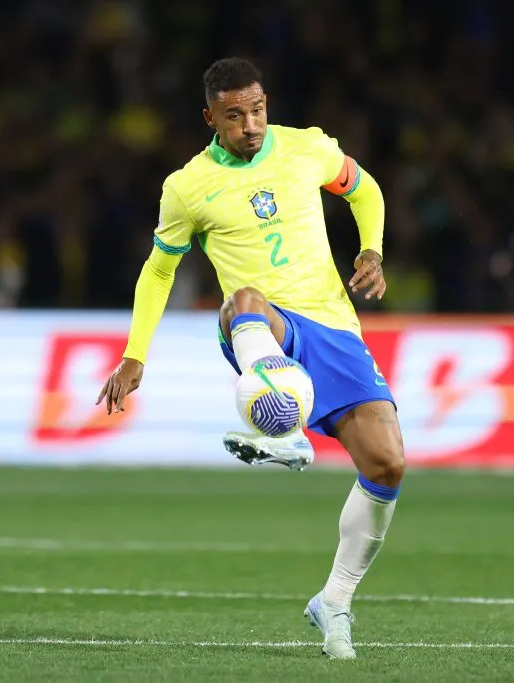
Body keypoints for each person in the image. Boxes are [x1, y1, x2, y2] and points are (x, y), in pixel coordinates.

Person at [96, 57, 405, 660]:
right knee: (244, 298)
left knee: (388, 464)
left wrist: (372, 248)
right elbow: (160, 269)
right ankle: (282, 425)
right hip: (258, 324)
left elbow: (364, 190)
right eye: (235, 116)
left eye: (258, 110)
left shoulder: (307, 148)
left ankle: (334, 601)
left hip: (333, 327)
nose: (251, 125)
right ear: (210, 117)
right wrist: (135, 355)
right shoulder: (187, 186)